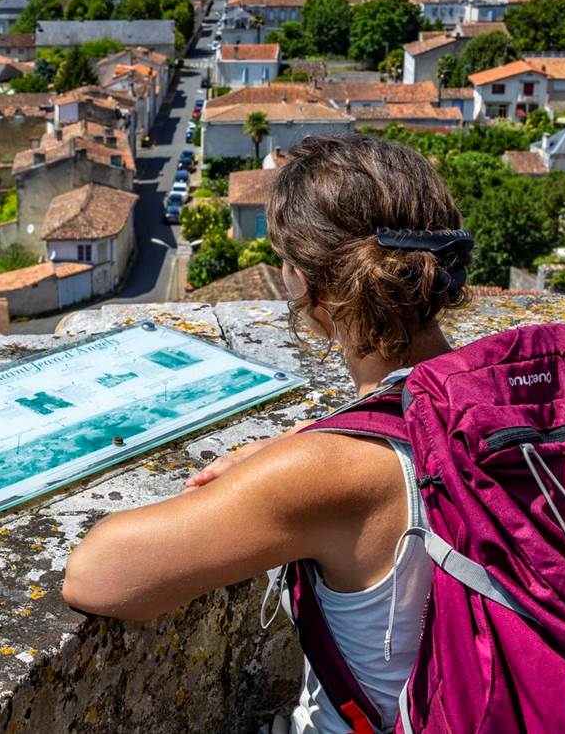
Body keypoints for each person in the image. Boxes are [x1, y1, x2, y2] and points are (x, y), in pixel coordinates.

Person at [63, 134, 470, 734]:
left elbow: (96, 573)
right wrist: (315, 443)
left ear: (308, 287)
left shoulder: (334, 470)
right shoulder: (527, 391)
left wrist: (287, 467)